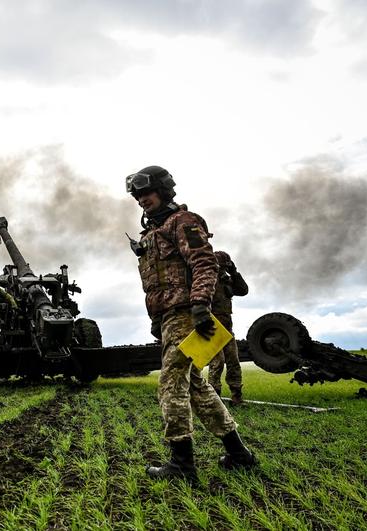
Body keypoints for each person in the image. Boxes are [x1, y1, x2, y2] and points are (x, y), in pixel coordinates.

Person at [126, 165, 256, 479]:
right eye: (138, 196)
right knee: (196, 386)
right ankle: (239, 454)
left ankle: (182, 465)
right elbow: (157, 283)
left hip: (187, 314)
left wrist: (199, 306)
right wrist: (157, 320)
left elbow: (204, 262)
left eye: (148, 193)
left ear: (164, 190)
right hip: (171, 317)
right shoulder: (152, 233)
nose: (143, 200)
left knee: (171, 384)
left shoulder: (182, 222)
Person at [207, 250, 249, 404]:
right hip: (213, 327)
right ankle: (215, 398)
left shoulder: (227, 279)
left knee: (233, 361)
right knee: (217, 362)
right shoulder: (207, 281)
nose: (222, 270)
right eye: (221, 267)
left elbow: (243, 290)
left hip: (227, 328)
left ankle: (237, 396)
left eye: (225, 267)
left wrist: (234, 272)